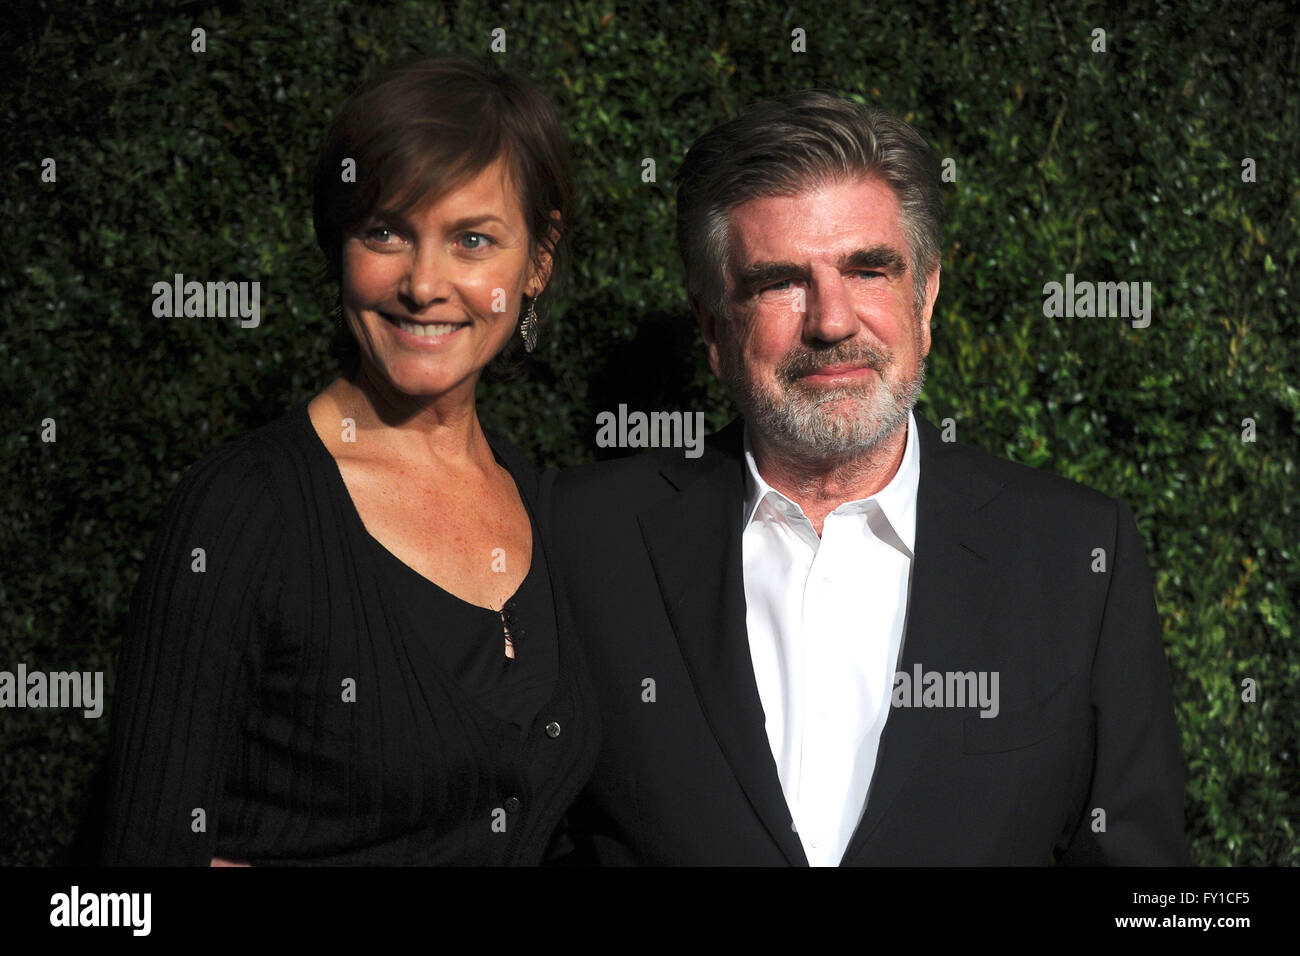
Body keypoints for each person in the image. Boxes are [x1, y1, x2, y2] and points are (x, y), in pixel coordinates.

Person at [542, 91, 1190, 865]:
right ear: (714, 327)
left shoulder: (1078, 554)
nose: (832, 320)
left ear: (925, 300)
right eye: (781, 281)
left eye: (869, 269)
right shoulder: (581, 539)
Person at [101, 53, 598, 865]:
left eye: (473, 240)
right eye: (386, 232)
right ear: (340, 245)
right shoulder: (243, 511)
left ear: (536, 263)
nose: (424, 283)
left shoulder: (539, 501)